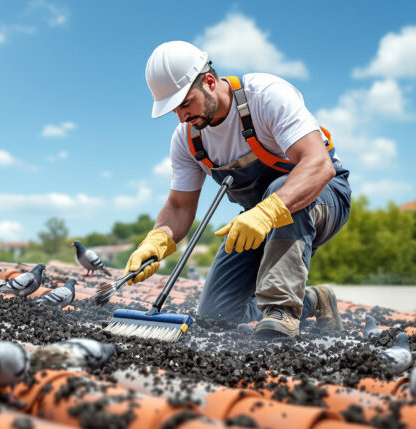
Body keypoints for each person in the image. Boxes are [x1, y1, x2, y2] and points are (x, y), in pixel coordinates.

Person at [123, 41, 351, 338]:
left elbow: (318, 165)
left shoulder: (265, 96)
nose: (181, 117)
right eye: (174, 109)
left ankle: (282, 309)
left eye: (185, 103)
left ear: (209, 81)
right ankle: (312, 301)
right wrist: (156, 241)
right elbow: (179, 207)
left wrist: (268, 211)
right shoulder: (187, 140)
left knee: (281, 189)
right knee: (216, 316)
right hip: (256, 219)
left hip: (323, 198)